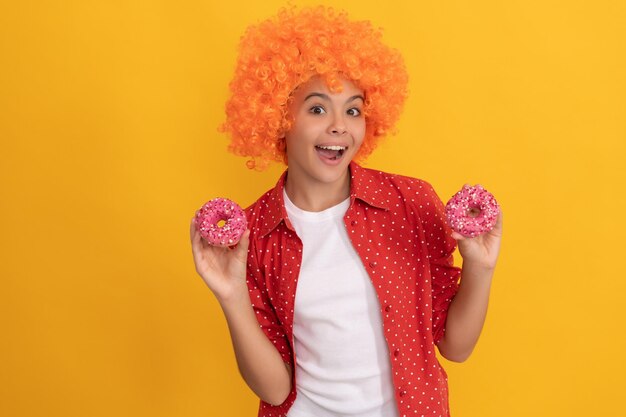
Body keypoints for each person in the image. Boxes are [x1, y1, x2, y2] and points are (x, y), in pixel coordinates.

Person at [189, 6, 503, 417]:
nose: (340, 126)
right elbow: (274, 388)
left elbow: (456, 347)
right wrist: (230, 296)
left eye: (353, 109)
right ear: (281, 117)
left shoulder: (412, 204)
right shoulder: (253, 235)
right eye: (318, 109)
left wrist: (480, 268)